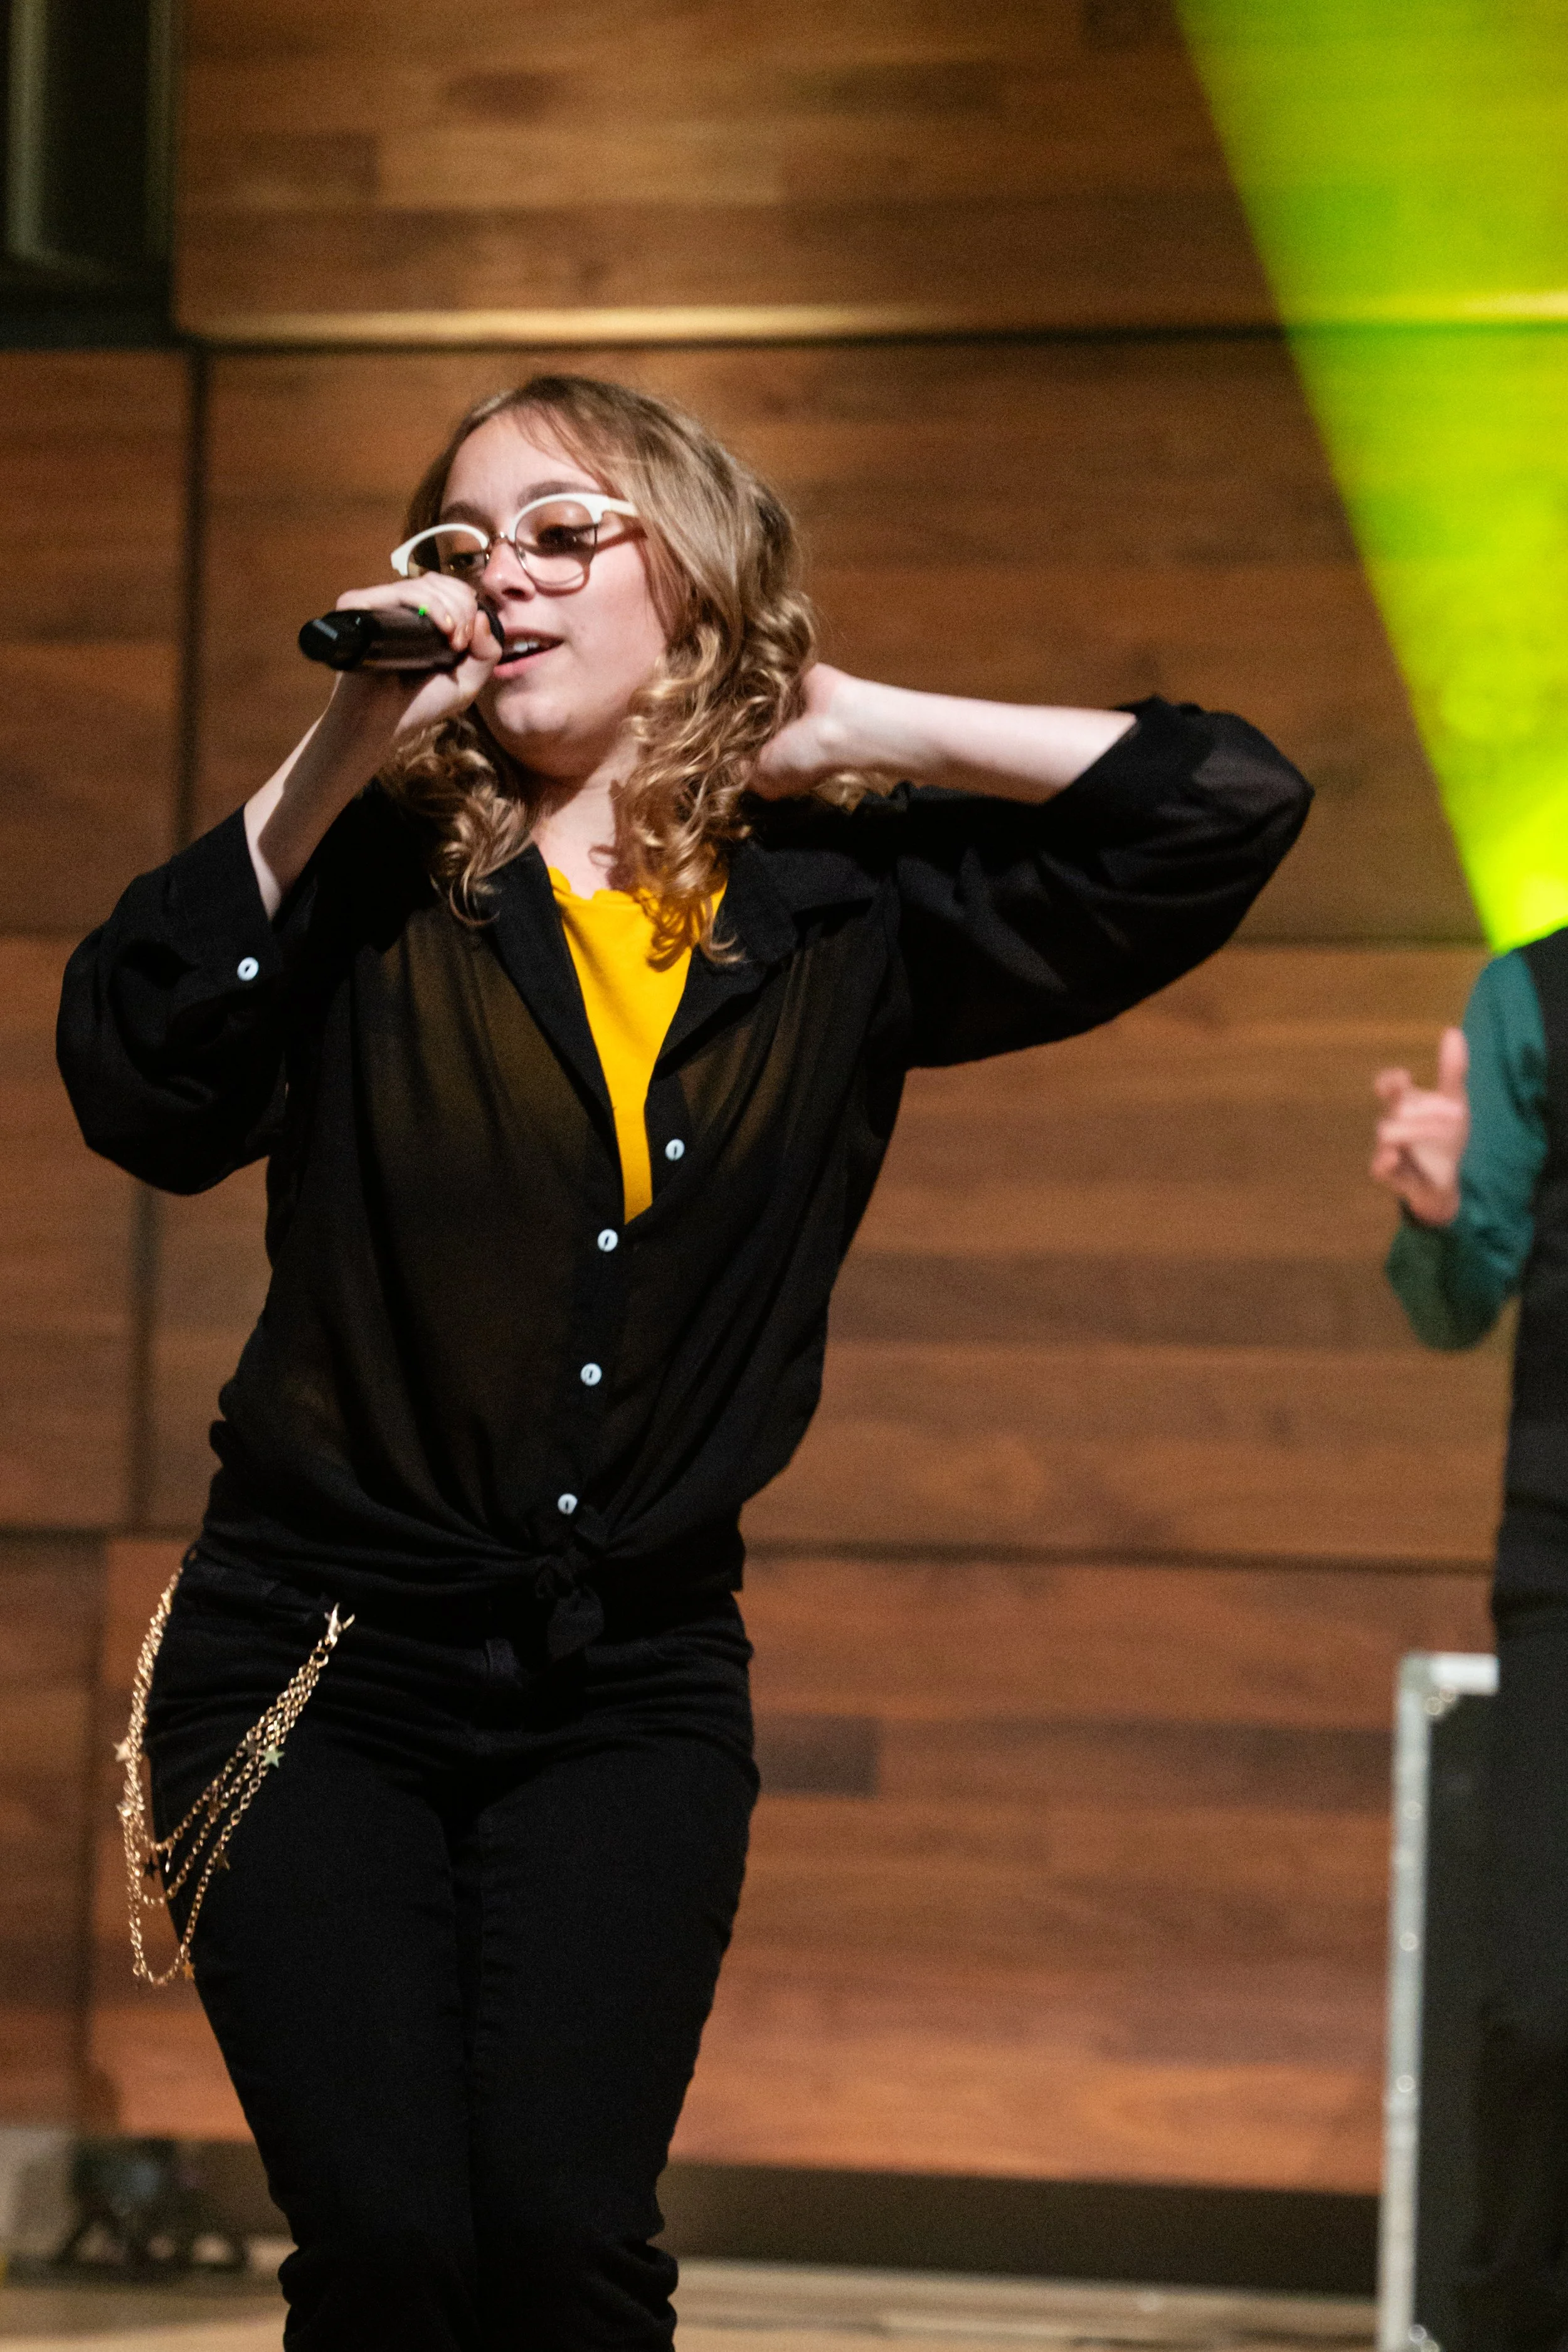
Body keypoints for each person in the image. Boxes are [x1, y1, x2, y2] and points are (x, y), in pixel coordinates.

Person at [58, 373, 1311, 2352]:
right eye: (463, 547)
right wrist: (339, 745)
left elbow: (1220, 804)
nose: (508, 578)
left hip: (627, 1683)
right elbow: (141, 1081)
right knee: (394, 2248)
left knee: (562, 2245)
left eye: (568, 533)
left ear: (699, 577)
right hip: (307, 1668)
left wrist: (855, 722)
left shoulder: (839, 911)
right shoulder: (376, 880)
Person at [1374, 931, 1568, 2352]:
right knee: (1540, 2012)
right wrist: (1439, 1214)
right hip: (1566, 1563)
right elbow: (1457, 1299)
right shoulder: (1535, 993)